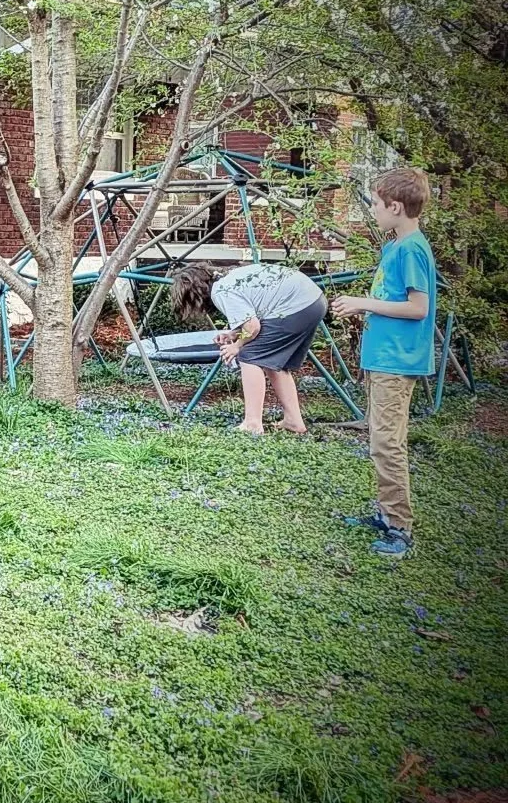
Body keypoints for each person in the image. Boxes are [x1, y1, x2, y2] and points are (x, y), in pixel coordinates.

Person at [330, 167, 437, 559]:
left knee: (387, 444)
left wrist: (362, 303)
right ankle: (386, 514)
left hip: (397, 362)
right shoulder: (393, 247)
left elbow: (418, 308)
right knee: (380, 440)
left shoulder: (411, 249)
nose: (372, 210)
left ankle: (399, 528)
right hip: (382, 357)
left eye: (375, 204)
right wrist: (363, 308)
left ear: (395, 206)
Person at [170, 261, 328, 435]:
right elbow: (253, 318)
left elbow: (252, 327)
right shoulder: (230, 278)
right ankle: (294, 421)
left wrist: (236, 346)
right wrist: (234, 334)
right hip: (313, 301)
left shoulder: (221, 291)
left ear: (194, 294)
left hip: (295, 305)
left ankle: (252, 423)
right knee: (274, 363)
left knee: (249, 356)